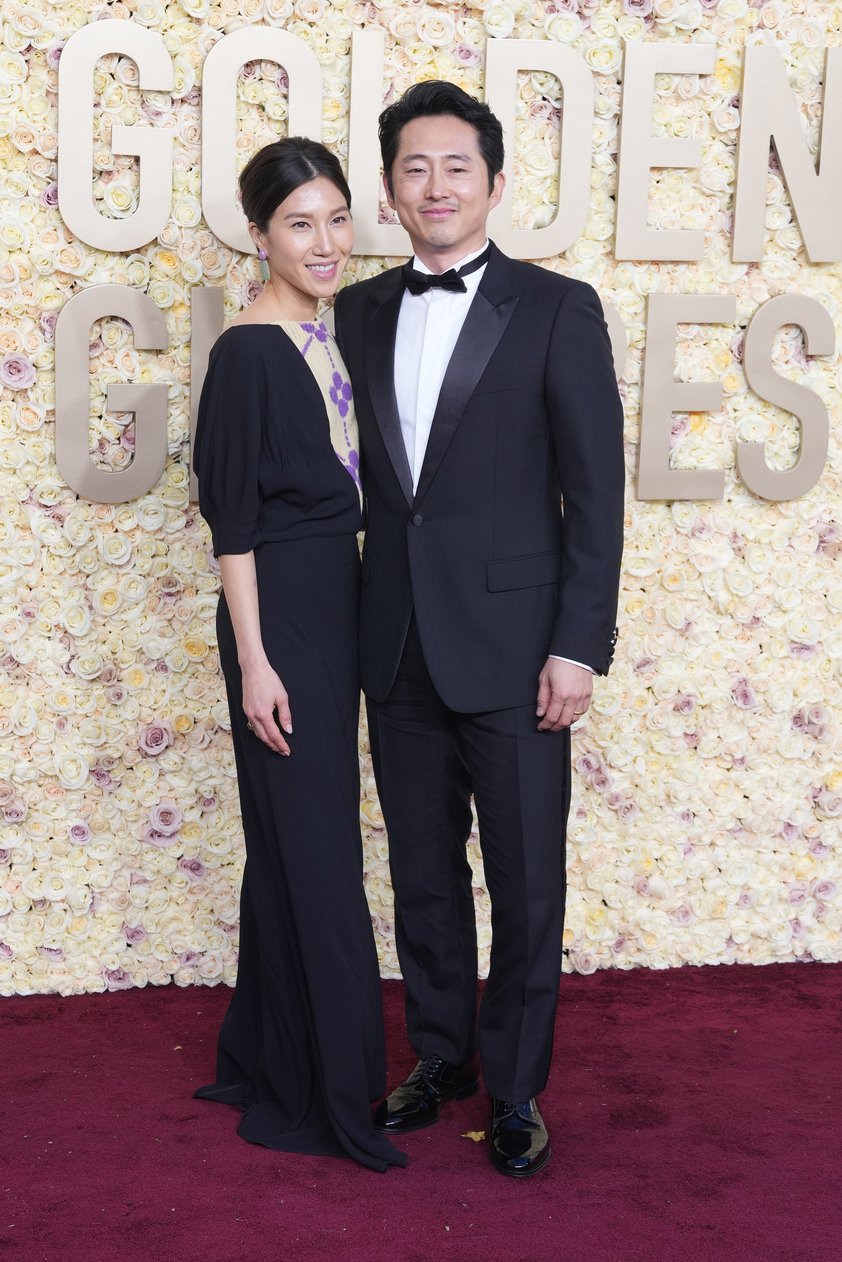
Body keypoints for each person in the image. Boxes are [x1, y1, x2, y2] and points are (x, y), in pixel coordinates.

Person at [333, 82, 624, 1177]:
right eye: (414, 167)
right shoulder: (356, 312)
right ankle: (441, 1055)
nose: (436, 185)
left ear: (493, 183)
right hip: (395, 639)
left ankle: (516, 1086)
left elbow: (595, 494)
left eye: (456, 166)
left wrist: (576, 644)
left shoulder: (557, 309)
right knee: (419, 870)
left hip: (516, 652)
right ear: (390, 190)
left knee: (524, 877)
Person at [192, 137, 406, 1173]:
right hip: (278, 616)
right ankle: (331, 1096)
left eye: (333, 219)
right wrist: (256, 661)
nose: (323, 242)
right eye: (297, 224)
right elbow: (230, 523)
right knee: (317, 849)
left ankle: (267, 1050)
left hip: (338, 601)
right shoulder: (245, 352)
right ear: (258, 235)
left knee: (292, 838)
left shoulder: (336, 332)